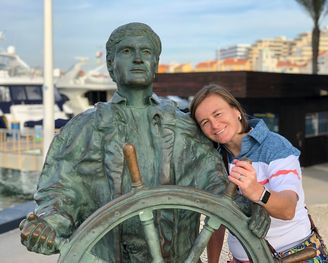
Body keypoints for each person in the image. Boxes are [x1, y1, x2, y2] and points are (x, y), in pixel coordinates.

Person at [19, 23, 268, 262]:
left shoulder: (185, 127)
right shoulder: (82, 129)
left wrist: (248, 208)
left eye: (146, 52)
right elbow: (59, 191)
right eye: (127, 51)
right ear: (110, 64)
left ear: (155, 64)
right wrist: (48, 224)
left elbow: (214, 183)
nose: (138, 58)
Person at [190, 84, 328, 263]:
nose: (214, 124)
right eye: (205, 122)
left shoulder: (275, 147)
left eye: (218, 114)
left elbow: (288, 209)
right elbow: (216, 220)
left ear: (236, 111)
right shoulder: (216, 159)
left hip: (294, 256)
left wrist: (258, 192)